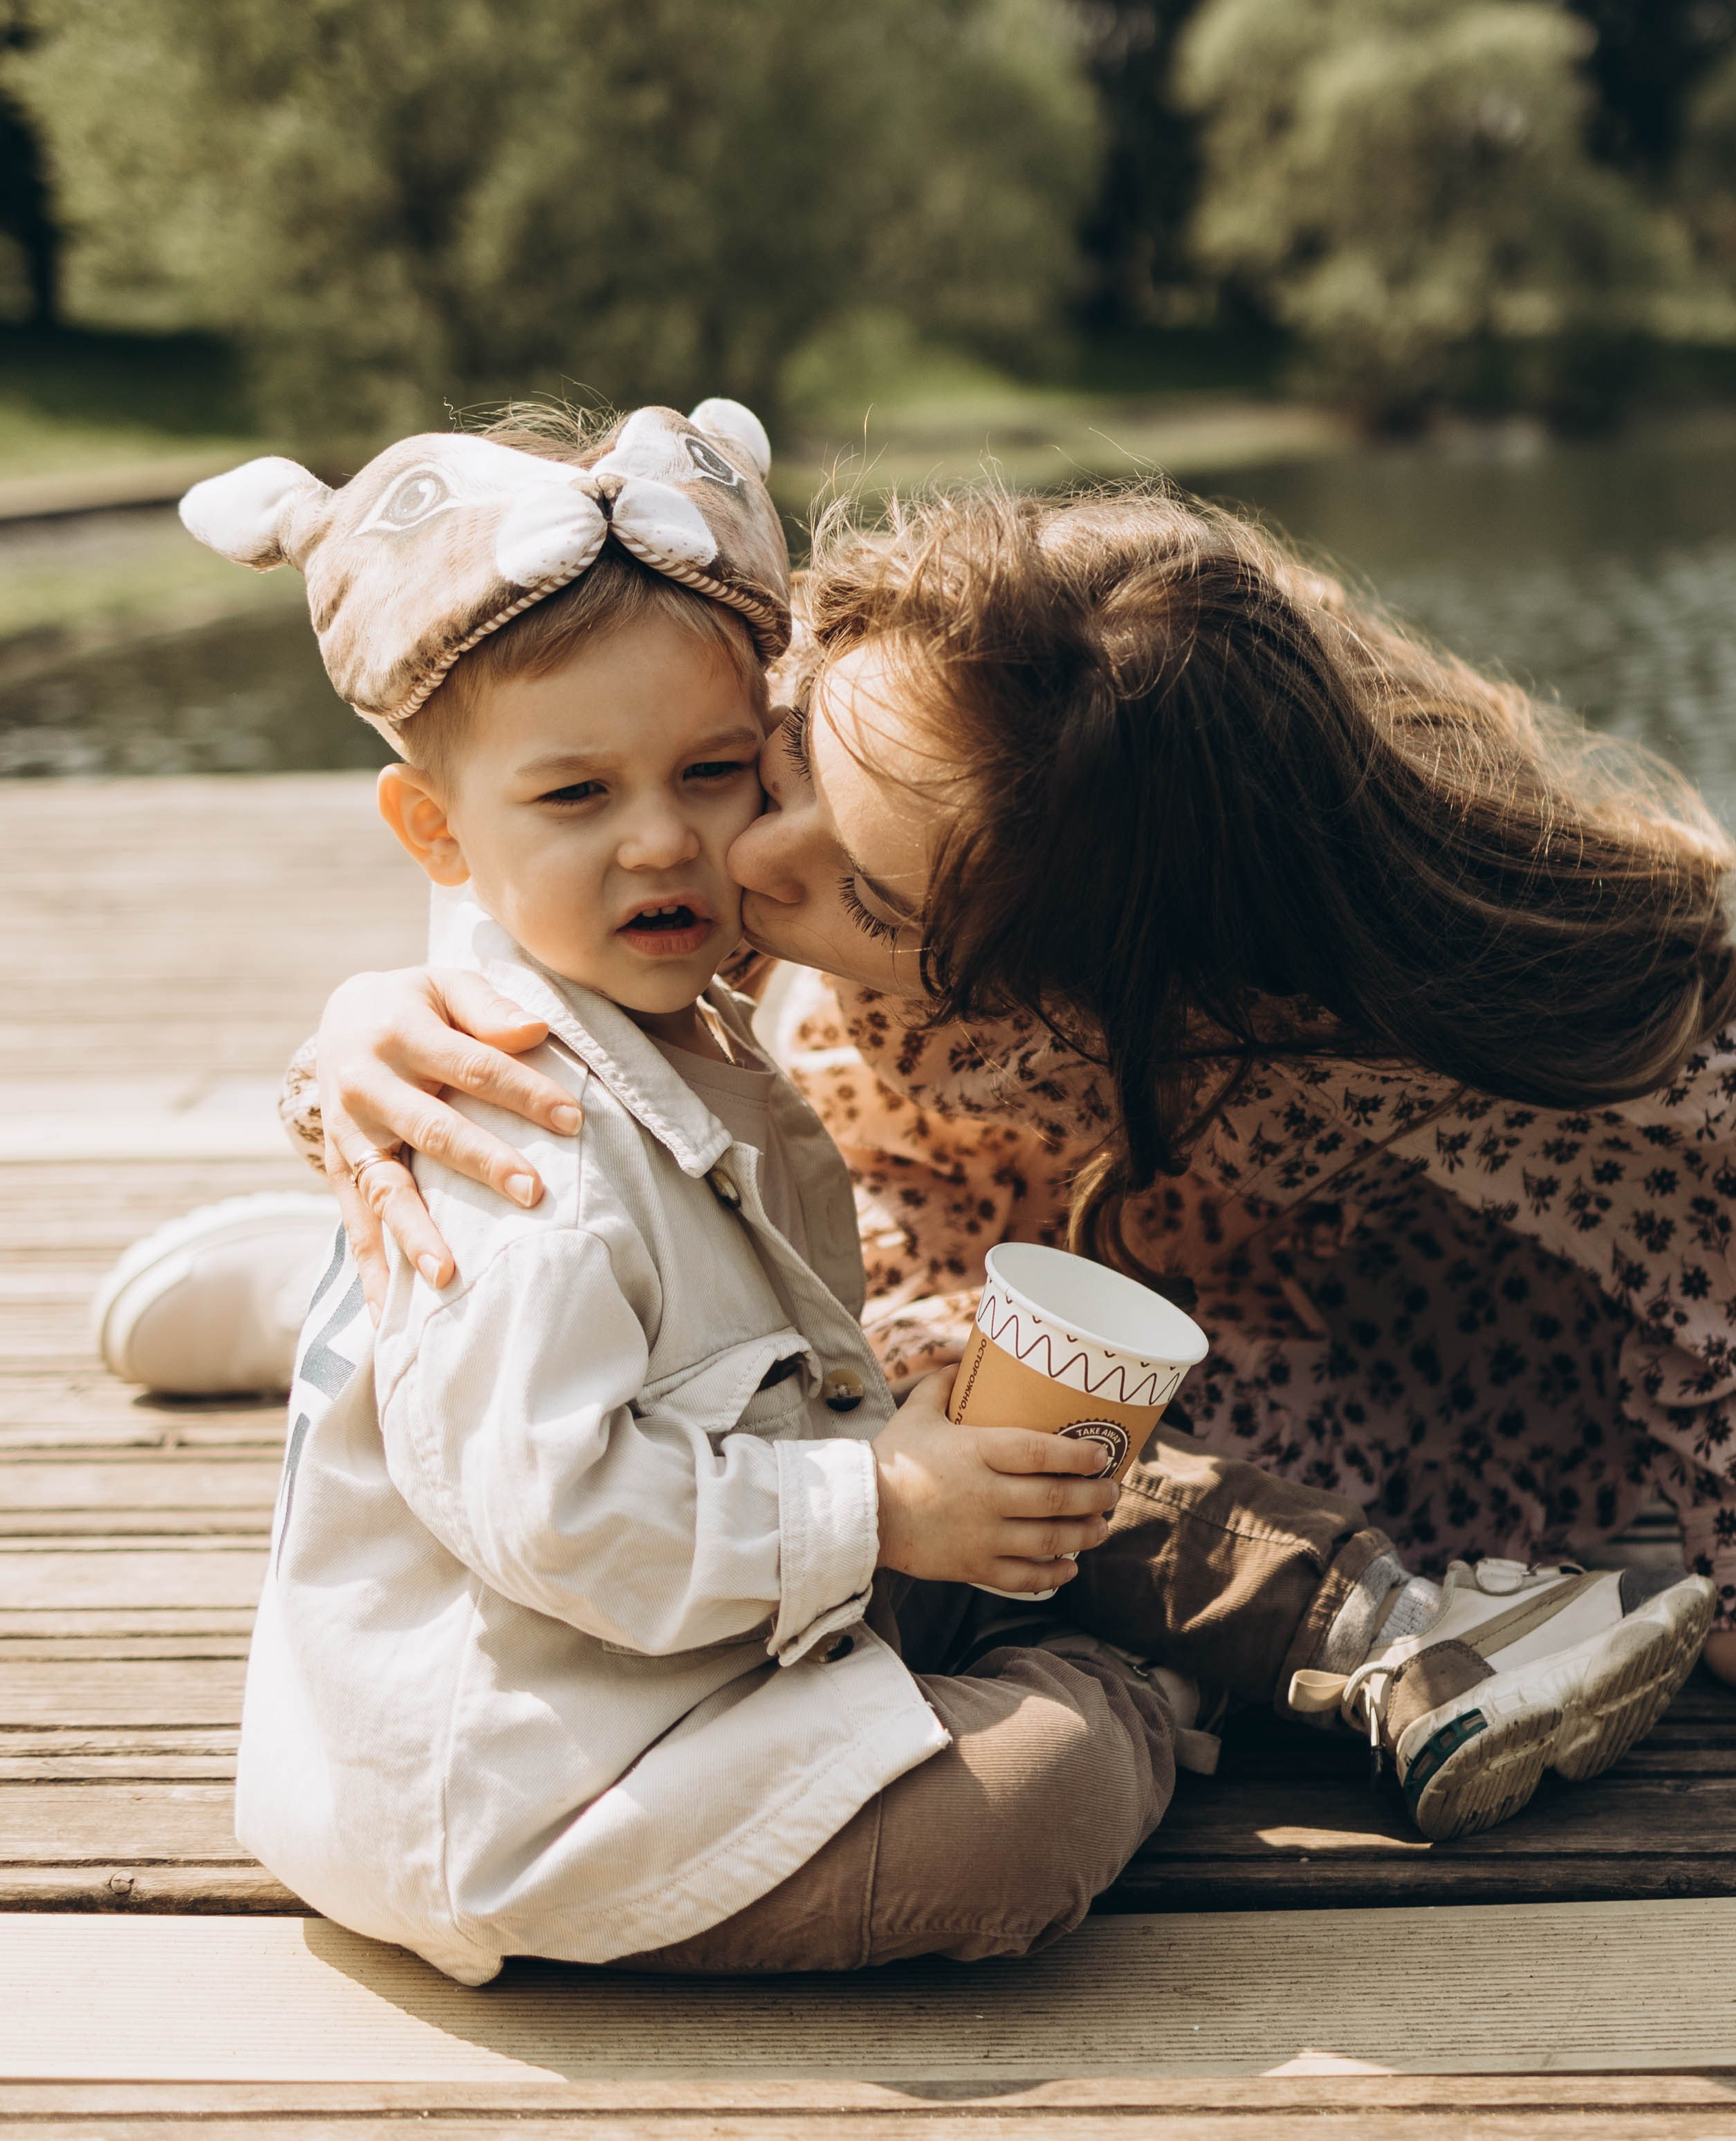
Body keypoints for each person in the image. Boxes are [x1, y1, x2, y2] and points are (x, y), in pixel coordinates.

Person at [118, 417, 1709, 1981]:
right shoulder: (817, 745)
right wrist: (351, 1052)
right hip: (787, 1329)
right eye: (786, 754)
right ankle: (327, 1285)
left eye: (860, 886)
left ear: (1074, 973)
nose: (729, 854)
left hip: (1162, 1284)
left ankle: (1347, 1624)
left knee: (1016, 1447)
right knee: (933, 1488)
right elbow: (520, 767)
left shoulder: (1328, 988)